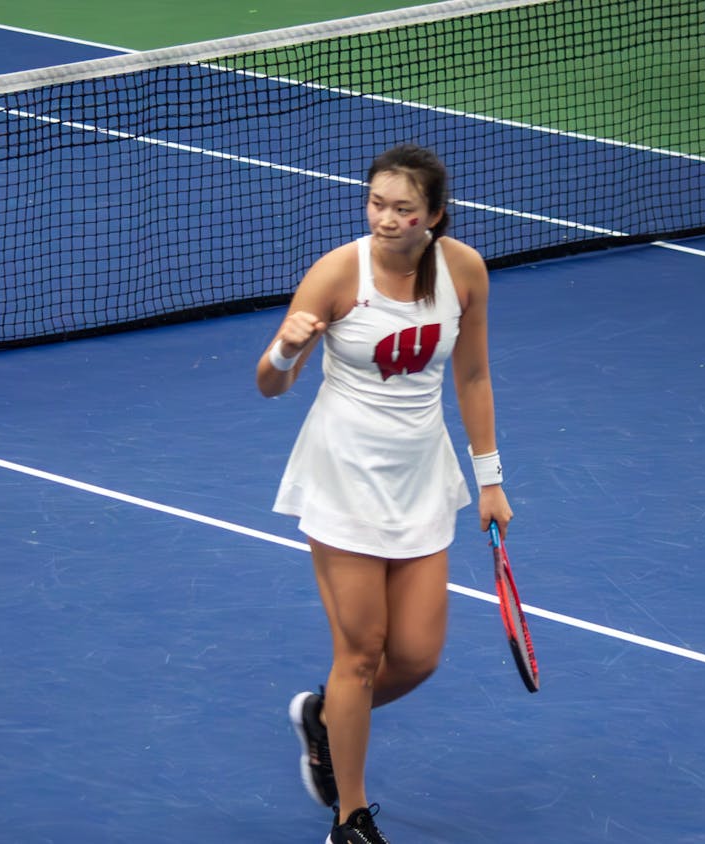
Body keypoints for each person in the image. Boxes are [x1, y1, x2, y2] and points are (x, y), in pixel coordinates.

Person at [256, 144, 513, 843]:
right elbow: (270, 384)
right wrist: (286, 348)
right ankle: (351, 816)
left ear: (434, 215)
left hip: (422, 479)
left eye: (404, 209)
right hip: (343, 477)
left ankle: (322, 716)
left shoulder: (464, 271)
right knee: (362, 653)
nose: (386, 219)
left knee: (418, 657)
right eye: (377, 204)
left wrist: (490, 482)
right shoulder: (339, 273)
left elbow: (474, 378)